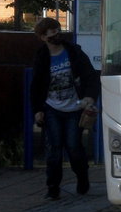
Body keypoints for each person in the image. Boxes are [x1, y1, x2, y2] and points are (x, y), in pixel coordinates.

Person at [30, 17, 99, 200]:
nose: (56, 34)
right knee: (54, 149)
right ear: (43, 37)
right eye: (51, 32)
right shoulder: (42, 57)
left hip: (74, 107)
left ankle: (82, 178)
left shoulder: (74, 53)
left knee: (74, 147)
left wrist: (89, 97)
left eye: (57, 30)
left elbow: (90, 76)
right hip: (52, 108)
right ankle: (53, 189)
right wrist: (37, 109)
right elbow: (36, 86)